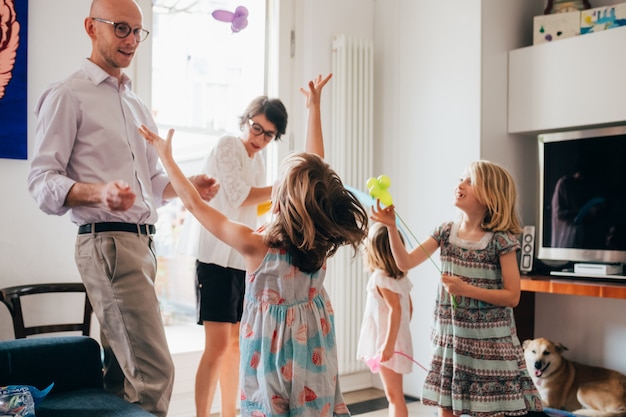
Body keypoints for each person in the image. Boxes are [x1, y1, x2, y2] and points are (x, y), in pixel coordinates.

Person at [26, 1, 219, 415]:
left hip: (143, 247)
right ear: (91, 28)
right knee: (155, 372)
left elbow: (151, 186)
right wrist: (99, 194)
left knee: (122, 376)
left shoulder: (135, 103)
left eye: (137, 32)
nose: (131, 40)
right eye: (120, 28)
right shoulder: (67, 95)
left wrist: (188, 188)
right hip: (107, 244)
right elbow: (41, 182)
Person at [139, 73, 369, 417]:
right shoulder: (318, 241)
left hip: (272, 362)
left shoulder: (255, 245)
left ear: (281, 198)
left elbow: (195, 205)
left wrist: (167, 159)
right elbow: (316, 168)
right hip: (313, 355)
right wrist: (314, 107)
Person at [370, 160, 543, 417]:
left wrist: (466, 289)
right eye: (461, 179)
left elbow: (513, 296)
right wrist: (391, 227)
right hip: (451, 339)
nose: (460, 185)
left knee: (490, 409)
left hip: (490, 345)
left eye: (470, 181)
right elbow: (405, 261)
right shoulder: (445, 232)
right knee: (447, 407)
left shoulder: (501, 241)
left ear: (491, 195)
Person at [181, 94, 288, 417]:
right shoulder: (229, 145)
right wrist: (283, 186)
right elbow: (241, 196)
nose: (260, 139)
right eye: (256, 128)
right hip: (214, 258)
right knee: (216, 348)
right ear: (245, 121)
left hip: (242, 261)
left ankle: (231, 413)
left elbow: (257, 207)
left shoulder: (259, 161)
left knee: (237, 346)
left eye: (269, 135)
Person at [356, 222, 413, 417]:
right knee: (396, 395)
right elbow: (408, 309)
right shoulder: (400, 277)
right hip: (396, 340)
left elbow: (395, 310)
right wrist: (401, 334)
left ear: (374, 252)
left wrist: (388, 345)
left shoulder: (380, 278)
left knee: (394, 397)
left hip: (387, 344)